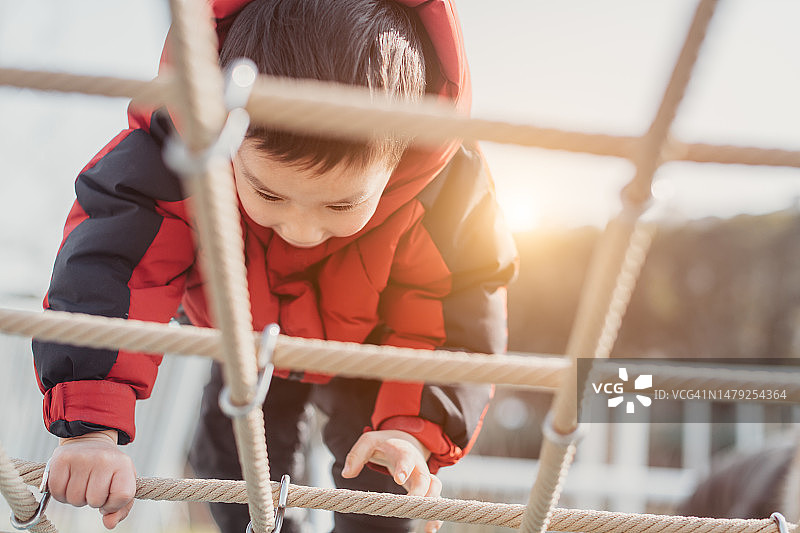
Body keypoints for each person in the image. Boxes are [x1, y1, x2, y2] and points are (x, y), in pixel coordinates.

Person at [32, 1, 518, 532]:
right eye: (268, 193)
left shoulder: (446, 192)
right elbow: (112, 270)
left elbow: (456, 313)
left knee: (385, 485)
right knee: (231, 467)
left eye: (341, 204)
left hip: (375, 350)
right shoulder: (175, 157)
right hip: (248, 338)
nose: (301, 230)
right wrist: (91, 430)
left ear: (400, 160)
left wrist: (412, 431)